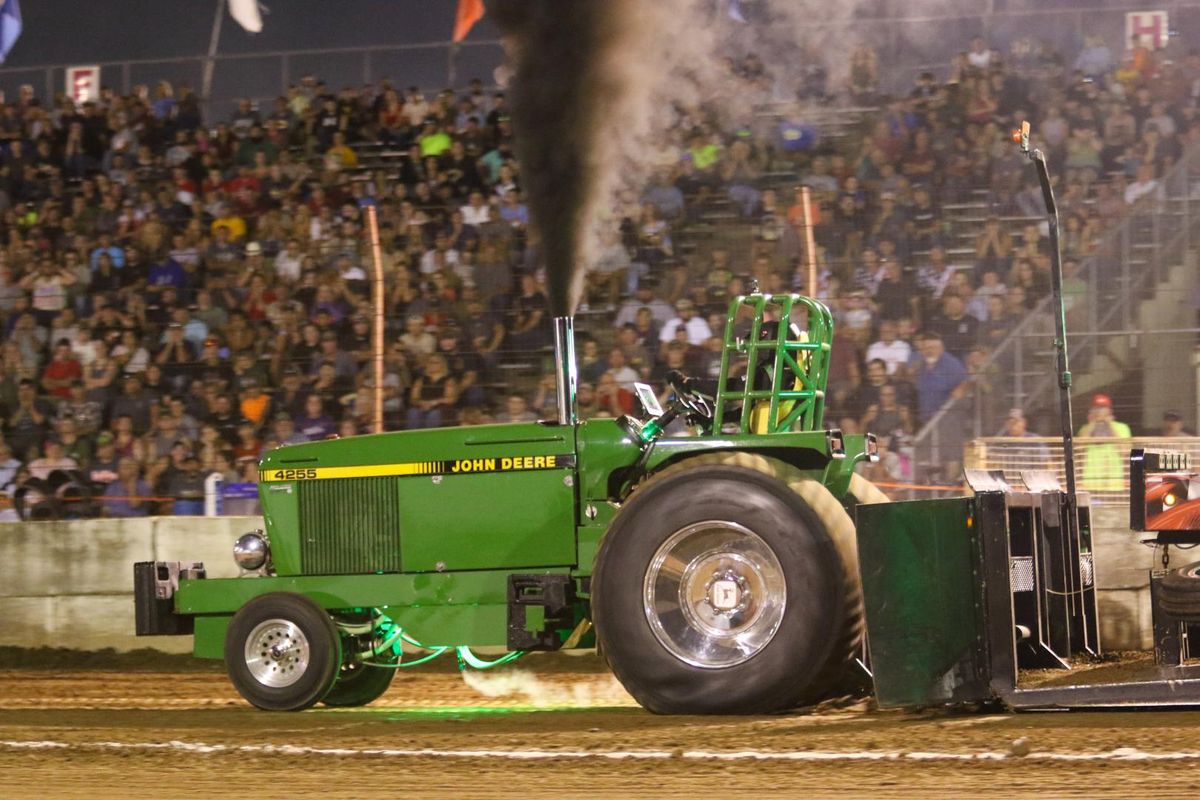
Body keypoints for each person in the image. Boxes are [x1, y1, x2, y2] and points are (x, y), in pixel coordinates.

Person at [1077, 393, 1131, 491]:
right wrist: (1092, 423)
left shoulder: (1122, 427)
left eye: (1103, 409)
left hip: (1114, 481)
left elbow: (1124, 452)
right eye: (1097, 409)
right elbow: (1079, 449)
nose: (1100, 413)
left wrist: (1110, 424)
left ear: (1110, 411)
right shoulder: (1085, 429)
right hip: (1091, 482)